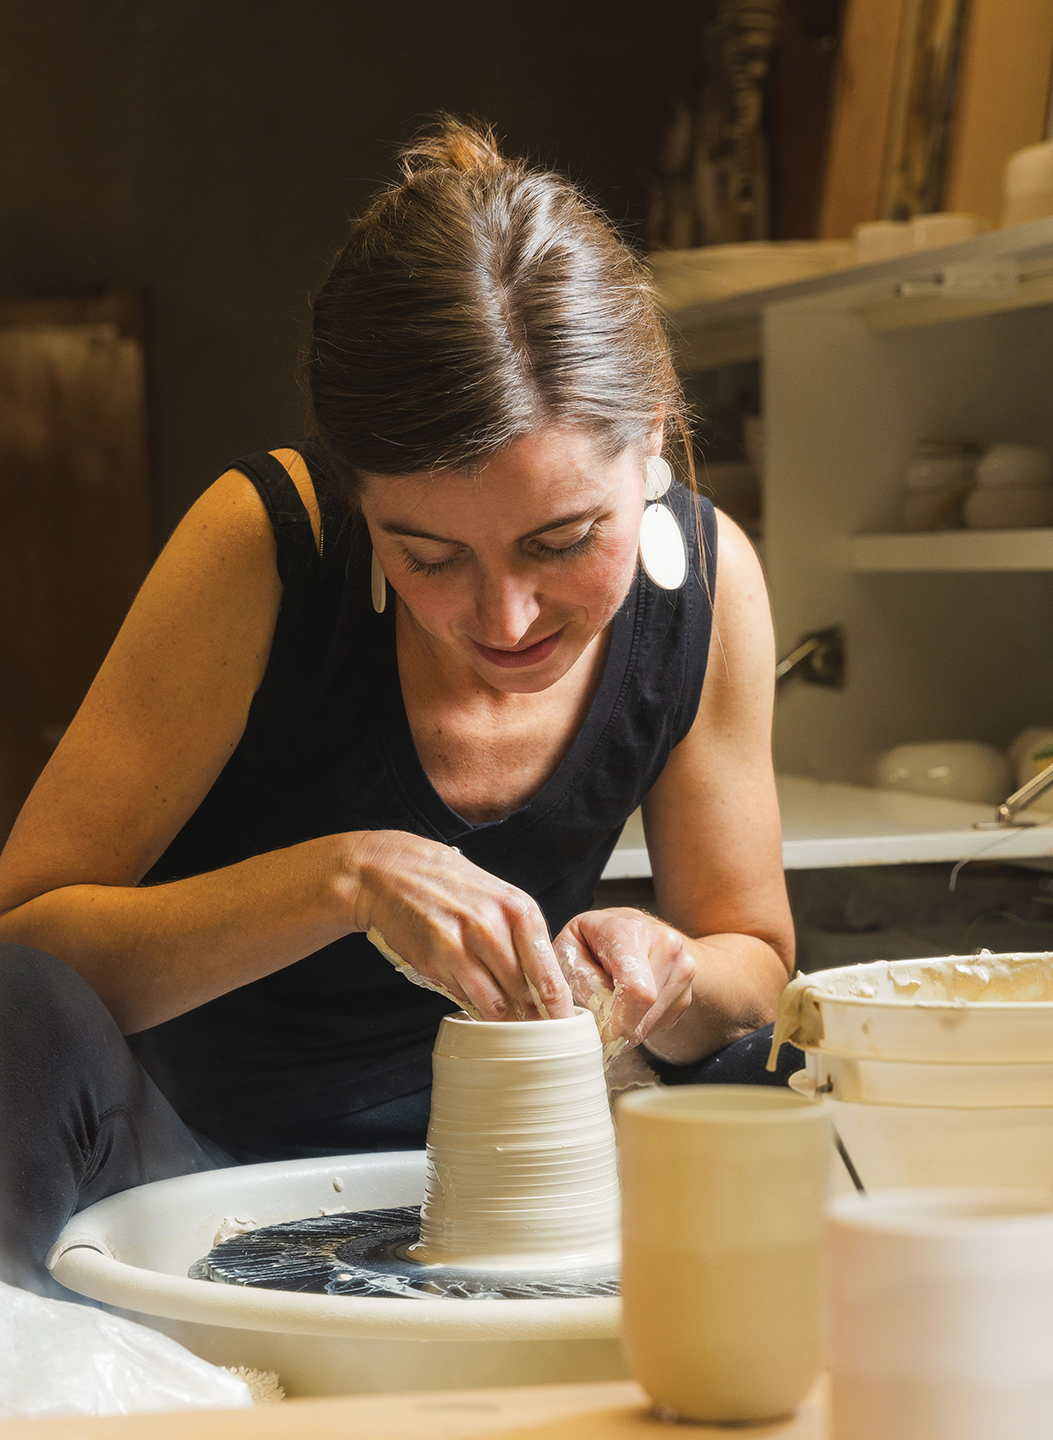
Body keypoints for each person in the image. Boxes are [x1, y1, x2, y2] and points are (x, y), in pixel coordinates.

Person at [0, 120, 798, 1296]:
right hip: (184, 1177)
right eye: (428, 556)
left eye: (562, 542)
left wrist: (672, 970)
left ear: (650, 449)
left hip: (516, 1189)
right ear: (361, 495)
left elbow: (758, 960)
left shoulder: (709, 580)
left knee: (790, 1084)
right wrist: (346, 878)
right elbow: (28, 943)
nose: (507, 619)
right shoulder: (269, 544)